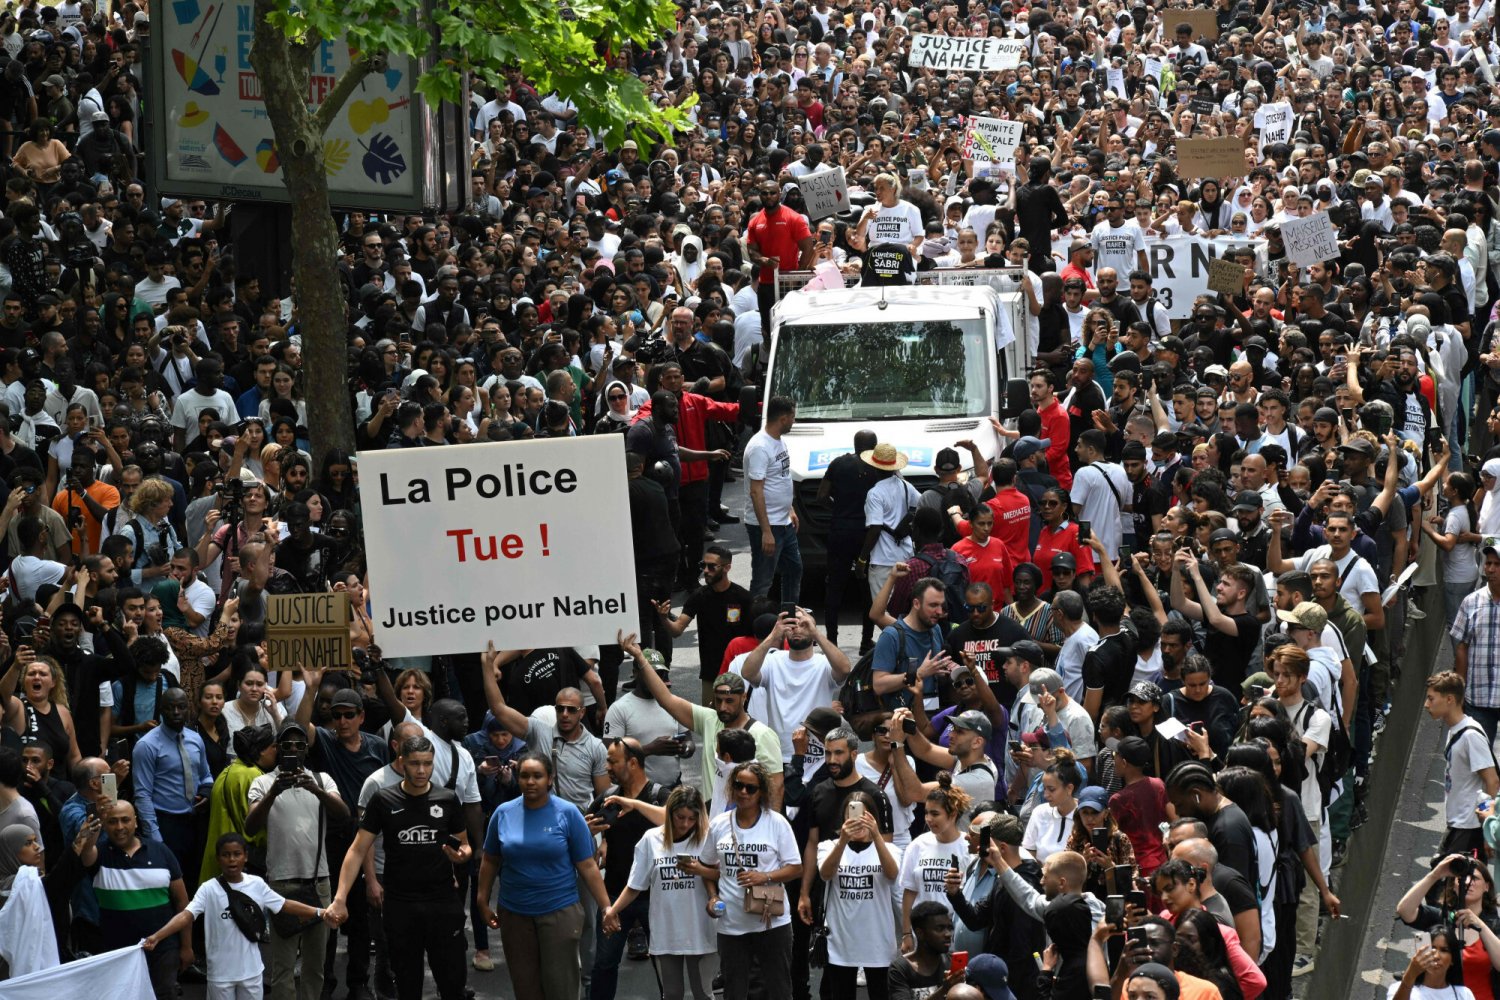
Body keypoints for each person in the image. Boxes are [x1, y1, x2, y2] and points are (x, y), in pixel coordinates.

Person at [327, 735, 472, 1000]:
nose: (421, 770)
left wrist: (461, 855)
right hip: (401, 904)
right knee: (407, 985)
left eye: (427, 764)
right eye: (415, 764)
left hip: (442, 902)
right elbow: (357, 849)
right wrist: (339, 898)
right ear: (402, 762)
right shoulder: (384, 799)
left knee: (452, 983)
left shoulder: (447, 799)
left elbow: (464, 844)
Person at [476, 751, 611, 1000]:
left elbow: (588, 866)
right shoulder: (503, 813)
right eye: (524, 776)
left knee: (561, 988)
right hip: (514, 913)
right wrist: (482, 900)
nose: (530, 782)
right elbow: (490, 859)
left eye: (537, 776)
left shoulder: (568, 813)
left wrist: (606, 907)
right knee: (525, 987)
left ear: (550, 778)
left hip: (559, 912)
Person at [143, 832, 331, 1000]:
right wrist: (158, 936)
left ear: (245, 857)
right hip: (220, 976)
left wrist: (319, 912)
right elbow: (186, 915)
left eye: (236, 854)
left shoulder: (257, 884)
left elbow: (284, 904)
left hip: (251, 973)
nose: (231, 860)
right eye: (226, 855)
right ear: (218, 859)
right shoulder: (208, 889)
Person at [601, 785, 717, 1000]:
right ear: (669, 812)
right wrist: (613, 910)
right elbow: (635, 885)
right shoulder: (651, 839)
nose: (685, 824)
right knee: (671, 993)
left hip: (700, 929)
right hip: (666, 931)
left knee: (703, 992)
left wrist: (700, 870)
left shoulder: (707, 838)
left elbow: (724, 876)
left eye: (692, 818)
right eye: (680, 817)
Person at [700, 759, 802, 1000]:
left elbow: (796, 868)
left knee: (779, 989)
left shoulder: (776, 823)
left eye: (751, 788)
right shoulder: (719, 825)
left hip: (771, 922)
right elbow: (706, 866)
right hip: (731, 923)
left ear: (762, 792)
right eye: (738, 785)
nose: (743, 792)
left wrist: (764, 876)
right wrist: (713, 897)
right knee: (734, 990)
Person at [817, 788, 903, 999]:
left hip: (878, 942)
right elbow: (825, 874)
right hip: (841, 942)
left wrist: (875, 834)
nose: (858, 822)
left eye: (864, 816)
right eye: (852, 815)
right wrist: (843, 841)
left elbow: (892, 873)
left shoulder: (889, 849)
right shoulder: (828, 847)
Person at [888, 900, 966, 1000]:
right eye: (940, 929)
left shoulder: (953, 962)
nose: (948, 934)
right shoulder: (900, 969)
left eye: (949, 928)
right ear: (920, 933)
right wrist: (943, 990)